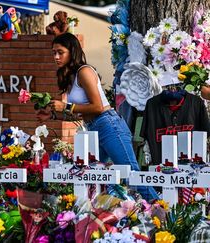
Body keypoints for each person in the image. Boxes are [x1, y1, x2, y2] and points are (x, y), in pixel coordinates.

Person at [36, 32, 158, 201]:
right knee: (90, 175)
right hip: (94, 128)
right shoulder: (70, 77)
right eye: (54, 53)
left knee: (131, 175)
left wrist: (66, 106)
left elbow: (98, 107)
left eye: (60, 52)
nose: (56, 57)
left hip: (109, 125)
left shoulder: (84, 71)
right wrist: (53, 116)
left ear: (72, 51)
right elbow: (82, 114)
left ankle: (162, 212)